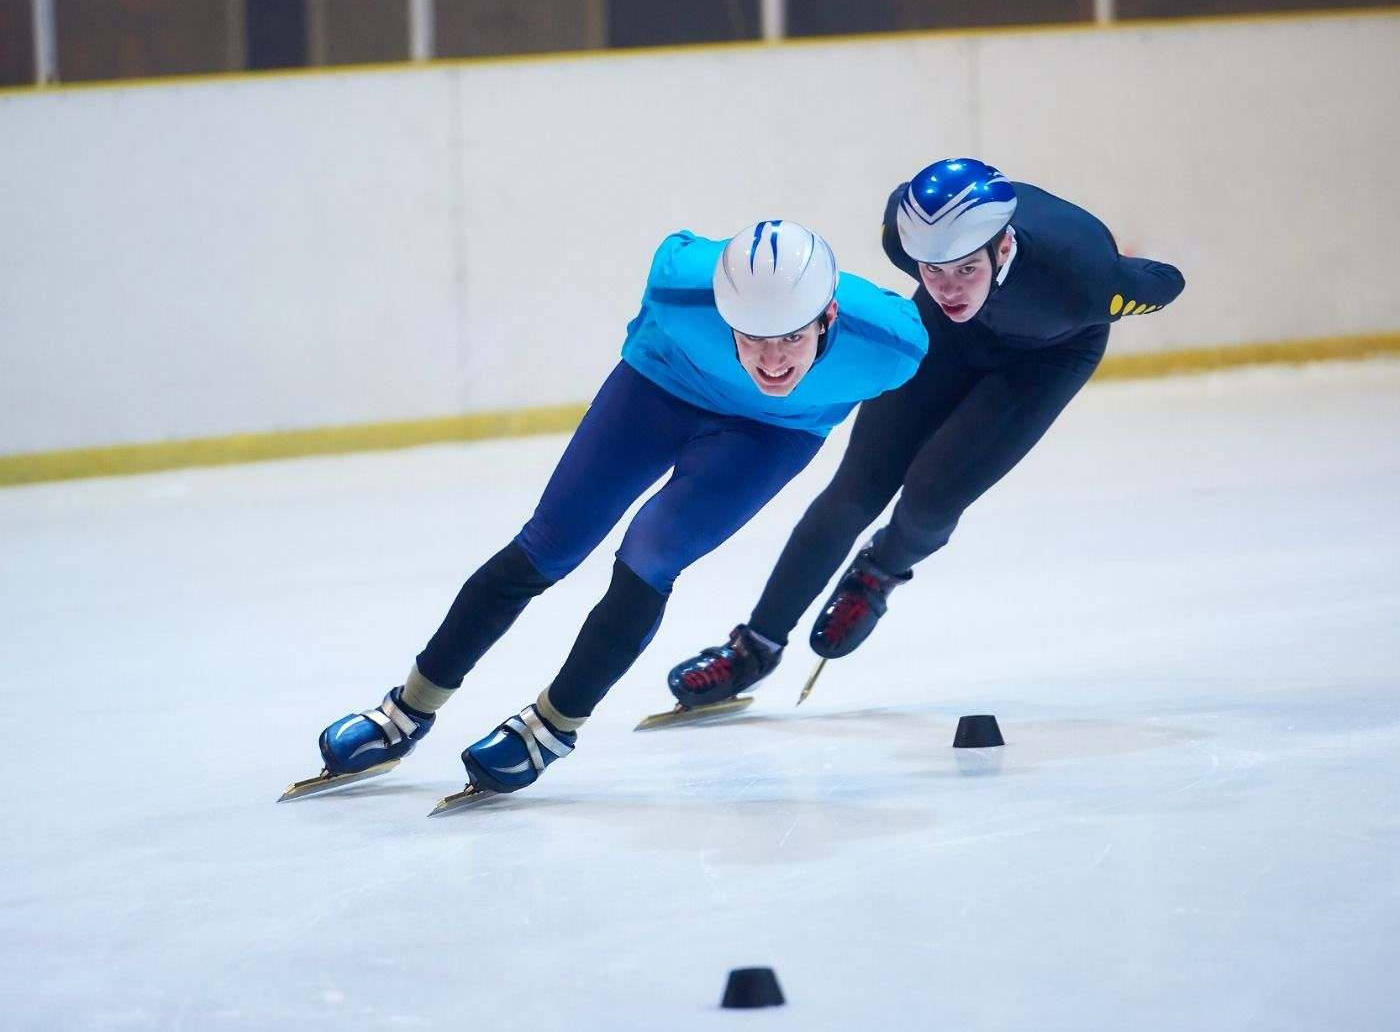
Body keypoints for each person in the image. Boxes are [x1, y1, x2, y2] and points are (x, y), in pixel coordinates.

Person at [302, 220, 928, 800]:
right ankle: (406, 710)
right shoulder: (681, 289)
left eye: (791, 336)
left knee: (650, 552)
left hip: (771, 434)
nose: (771, 360)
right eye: (750, 336)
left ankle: (554, 724)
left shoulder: (892, 344)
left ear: (830, 315)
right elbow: (676, 246)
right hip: (660, 388)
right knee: (549, 543)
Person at [667, 158, 1186, 707]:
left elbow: (1167, 282)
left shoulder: (1085, 280)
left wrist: (1117, 271)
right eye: (933, 270)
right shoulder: (907, 235)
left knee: (933, 497)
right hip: (949, 338)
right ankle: (755, 647)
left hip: (1046, 359)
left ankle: (881, 571)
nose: (948, 286)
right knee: (854, 490)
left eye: (966, 269)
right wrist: (947, 280)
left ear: (1003, 248)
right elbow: (935, 262)